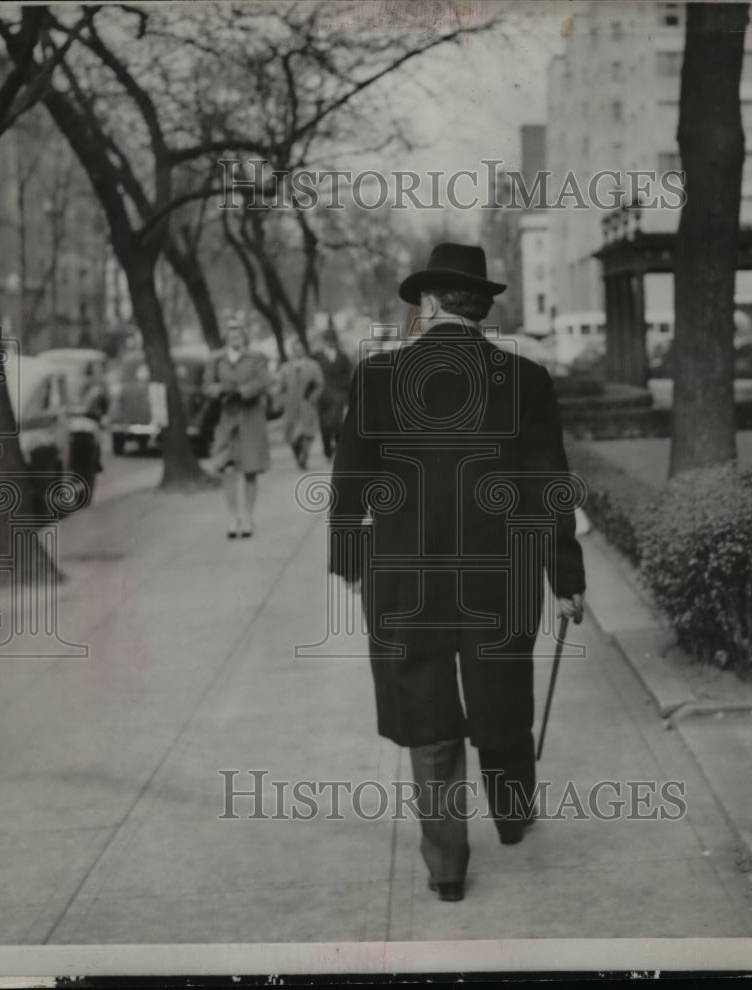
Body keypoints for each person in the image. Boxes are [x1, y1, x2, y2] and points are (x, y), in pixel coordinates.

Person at [328, 243, 586, 902]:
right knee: (502, 694)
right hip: (498, 576)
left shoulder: (379, 376)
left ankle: (447, 865)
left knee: (426, 709)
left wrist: (351, 565)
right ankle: (512, 817)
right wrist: (568, 578)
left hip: (404, 581)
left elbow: (351, 483)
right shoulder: (526, 381)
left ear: (431, 303)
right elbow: (549, 487)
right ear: (483, 308)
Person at [205, 323, 272, 538]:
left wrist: (242, 392)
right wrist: (220, 391)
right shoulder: (216, 360)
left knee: (250, 470)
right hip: (226, 419)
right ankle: (233, 517)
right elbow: (206, 385)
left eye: (239, 335)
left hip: (251, 418)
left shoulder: (257, 358)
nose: (235, 338)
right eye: (231, 335)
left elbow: (264, 382)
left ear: (245, 337)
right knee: (227, 468)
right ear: (226, 338)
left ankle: (249, 517)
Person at [280, 336, 324, 470]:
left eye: (300, 349)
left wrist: (313, 397)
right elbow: (281, 387)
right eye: (295, 349)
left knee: (307, 433)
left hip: (307, 404)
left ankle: (303, 456)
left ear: (304, 350)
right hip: (291, 406)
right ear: (292, 351)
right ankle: (297, 453)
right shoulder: (286, 368)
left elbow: (320, 384)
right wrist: (283, 401)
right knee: (292, 435)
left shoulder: (313, 366)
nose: (298, 351)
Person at [313, 329, 353, 459]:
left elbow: (348, 376)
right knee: (324, 425)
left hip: (339, 394)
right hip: (323, 396)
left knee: (338, 423)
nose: (330, 342)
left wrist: (347, 393)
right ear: (324, 341)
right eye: (327, 340)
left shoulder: (343, 357)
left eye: (332, 339)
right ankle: (327, 450)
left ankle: (339, 448)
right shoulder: (317, 357)